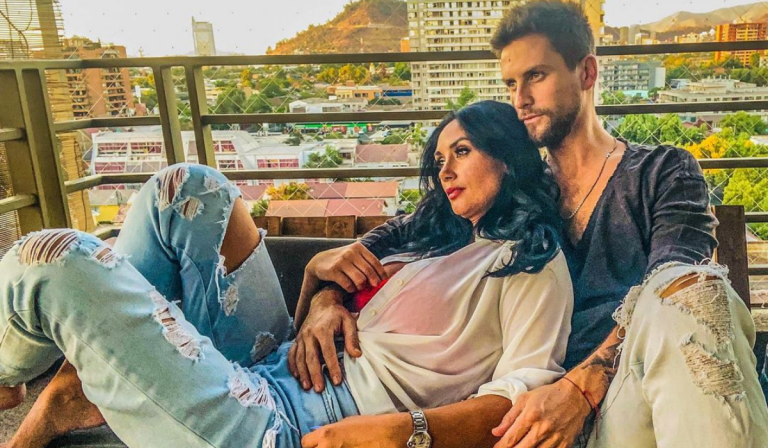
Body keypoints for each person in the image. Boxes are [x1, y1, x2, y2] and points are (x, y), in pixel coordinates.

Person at [292, 2, 768, 447]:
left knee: (694, 291)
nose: (520, 99)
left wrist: (579, 389)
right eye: (510, 84)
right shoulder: (511, 189)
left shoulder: (660, 172)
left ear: (586, 72)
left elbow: (678, 285)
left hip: (626, 394)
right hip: (531, 416)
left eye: (536, 76)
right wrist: (325, 297)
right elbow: (393, 235)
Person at [0, 101, 574, 448]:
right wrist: (322, 291)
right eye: (440, 158)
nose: (444, 170)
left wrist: (404, 431)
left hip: (283, 425)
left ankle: (12, 376)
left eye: (463, 151)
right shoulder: (436, 235)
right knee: (189, 188)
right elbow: (345, 287)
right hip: (272, 362)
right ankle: (80, 386)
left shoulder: (528, 263)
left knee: (56, 258)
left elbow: (523, 394)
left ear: (509, 157)